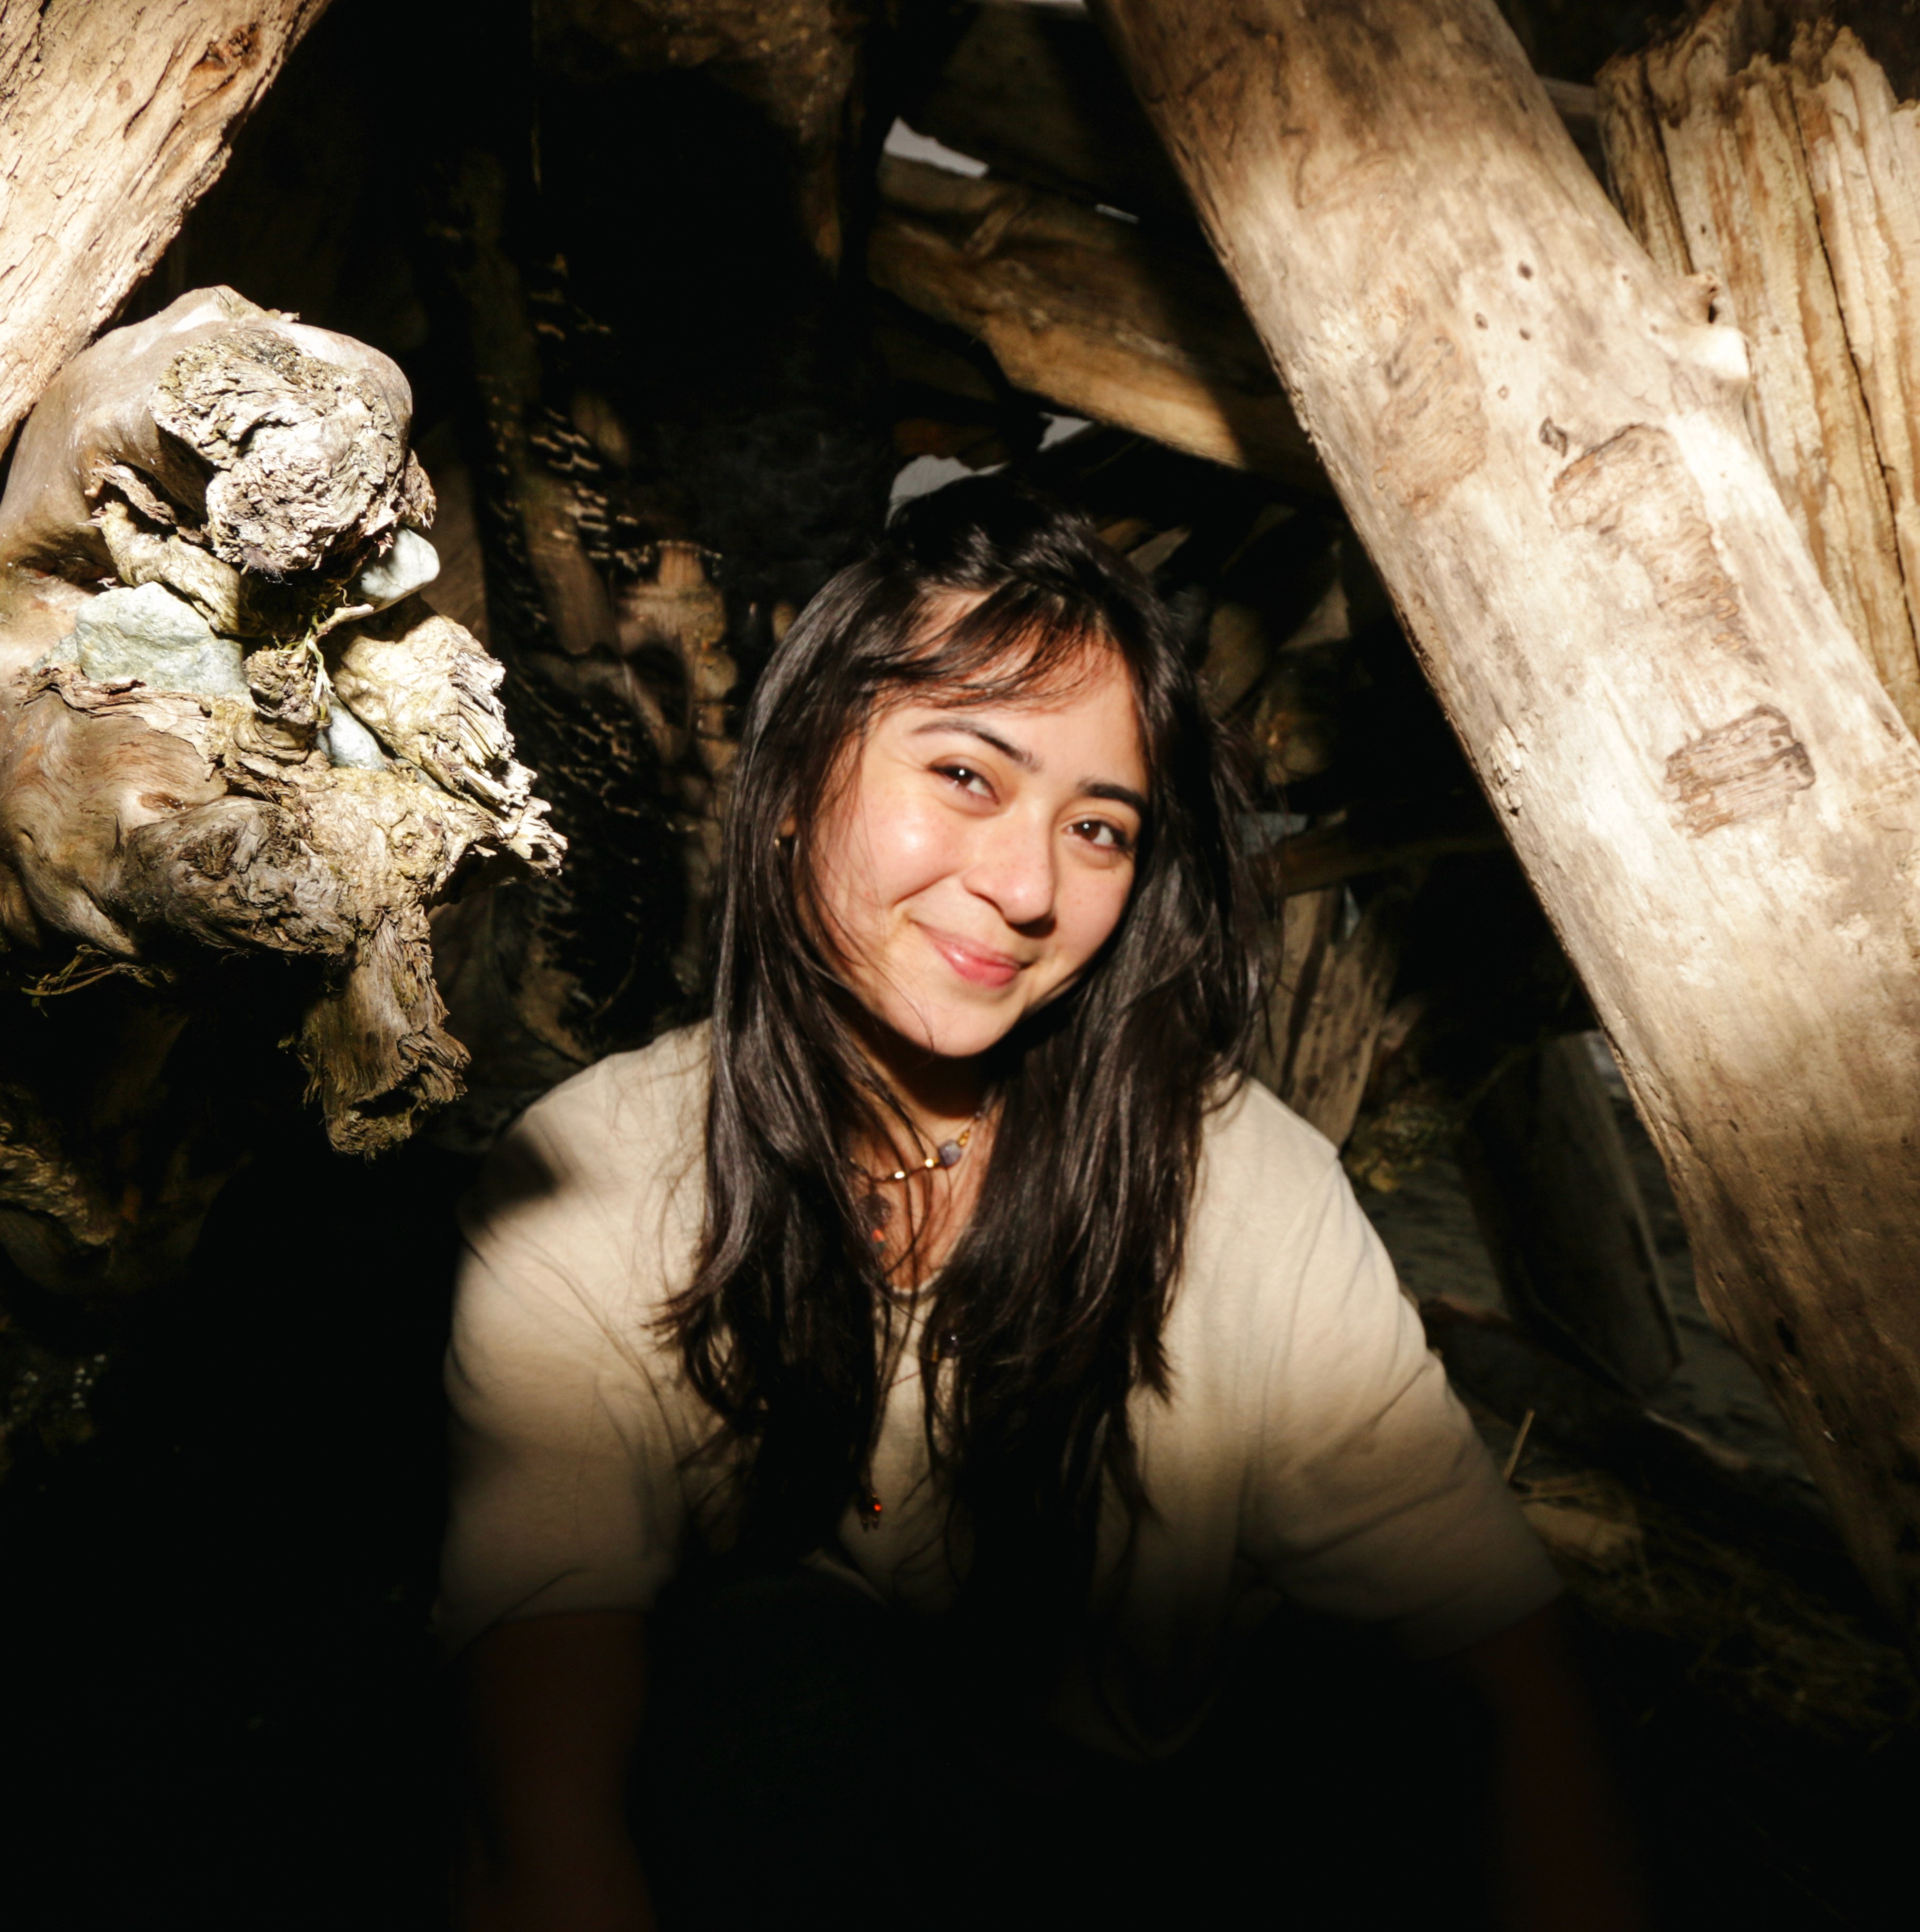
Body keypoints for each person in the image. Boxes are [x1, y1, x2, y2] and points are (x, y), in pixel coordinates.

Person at [442, 479, 1643, 1929]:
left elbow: (1508, 1676)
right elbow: (549, 1810)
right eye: (964, 775)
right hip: (776, 1846)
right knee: (780, 1681)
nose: (1024, 886)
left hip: (1141, 1860)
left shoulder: (1238, 1180)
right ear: (795, 781)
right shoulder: (593, 1186)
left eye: (1099, 829)